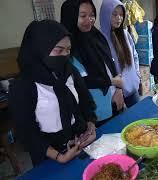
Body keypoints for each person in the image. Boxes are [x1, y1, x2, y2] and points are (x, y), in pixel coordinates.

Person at [9, 20, 97, 165]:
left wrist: (90, 126)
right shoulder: (23, 85)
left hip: (79, 144)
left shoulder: (69, 71)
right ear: (40, 49)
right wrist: (59, 157)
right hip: (49, 157)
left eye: (68, 50)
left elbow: (86, 103)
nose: (65, 55)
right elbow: (27, 132)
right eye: (59, 50)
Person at [61, 0, 124, 125]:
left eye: (92, 15)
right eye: (83, 16)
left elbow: (111, 65)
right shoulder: (67, 48)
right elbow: (78, 81)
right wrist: (111, 82)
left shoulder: (97, 36)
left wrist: (118, 89)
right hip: (94, 111)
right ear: (71, 16)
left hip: (114, 99)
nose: (89, 20)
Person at [100, 0, 141, 107]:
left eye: (121, 15)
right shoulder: (100, 38)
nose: (119, 18)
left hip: (132, 87)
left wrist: (137, 74)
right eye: (114, 14)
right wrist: (115, 89)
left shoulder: (125, 33)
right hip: (115, 92)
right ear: (105, 14)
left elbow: (134, 55)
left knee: (137, 118)